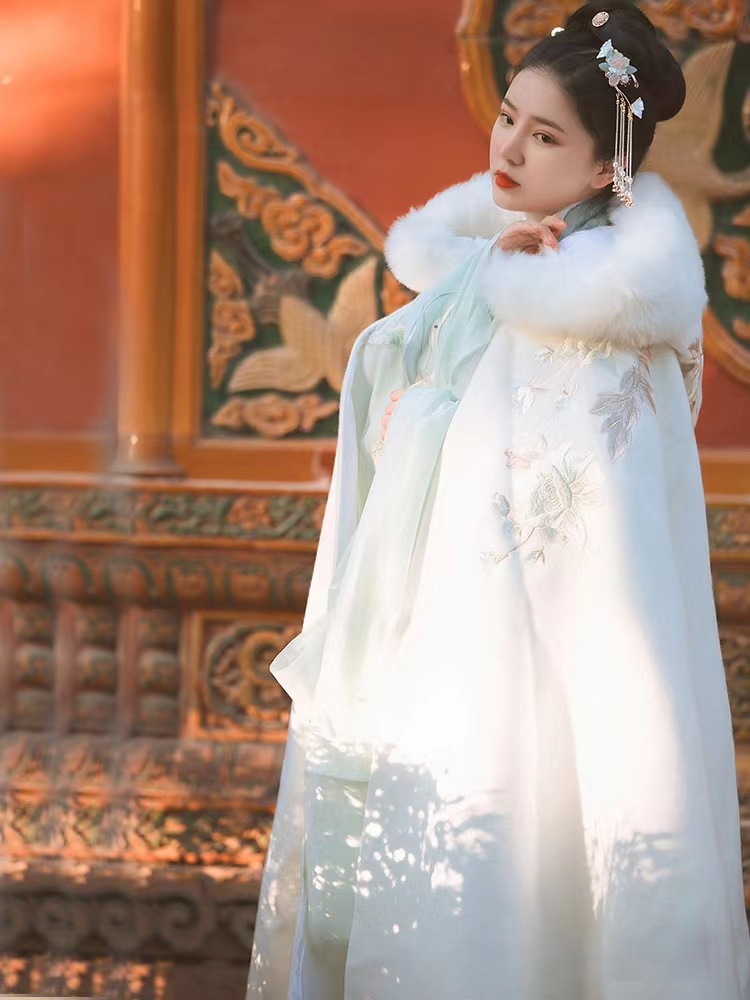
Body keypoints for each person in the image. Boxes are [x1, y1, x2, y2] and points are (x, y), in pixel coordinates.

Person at [246, 3, 750, 998]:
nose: (509, 149)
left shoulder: (606, 318)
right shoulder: (498, 266)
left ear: (604, 169)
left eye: (546, 136)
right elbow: (401, 391)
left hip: (533, 665)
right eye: (509, 117)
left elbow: (592, 553)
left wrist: (437, 395)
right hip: (447, 641)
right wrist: (478, 283)